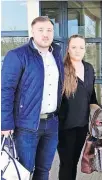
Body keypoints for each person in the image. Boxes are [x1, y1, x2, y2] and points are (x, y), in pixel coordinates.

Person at [1, 16, 64, 180]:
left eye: (49, 30)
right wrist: (5, 123)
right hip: (26, 125)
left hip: (51, 124)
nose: (45, 34)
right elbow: (6, 91)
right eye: (41, 30)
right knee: (22, 172)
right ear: (32, 32)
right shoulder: (17, 55)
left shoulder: (56, 54)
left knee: (44, 170)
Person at [57, 34, 98, 180]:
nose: (77, 50)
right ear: (68, 49)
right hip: (64, 126)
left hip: (82, 125)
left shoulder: (88, 68)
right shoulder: (61, 69)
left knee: (74, 162)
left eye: (81, 47)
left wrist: (98, 117)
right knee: (66, 163)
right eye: (74, 47)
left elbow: (92, 96)